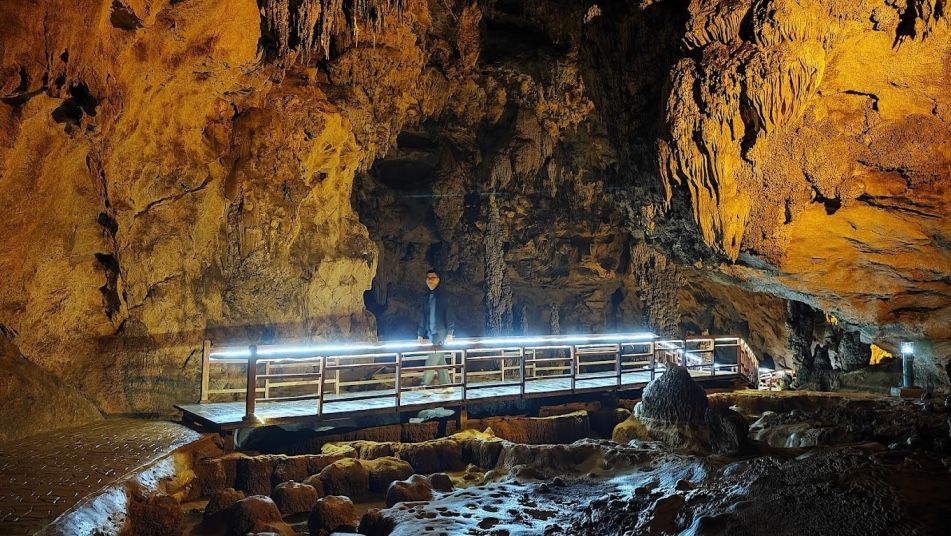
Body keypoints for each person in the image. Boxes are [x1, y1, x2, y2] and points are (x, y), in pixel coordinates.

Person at [417, 269, 455, 392]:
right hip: (431, 333)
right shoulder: (426, 297)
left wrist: (450, 333)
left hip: (440, 332)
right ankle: (447, 385)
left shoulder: (444, 296)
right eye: (428, 278)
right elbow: (423, 317)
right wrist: (420, 334)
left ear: (438, 280)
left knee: (432, 359)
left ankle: (424, 385)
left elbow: (449, 314)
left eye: (432, 278)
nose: (430, 280)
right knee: (439, 359)